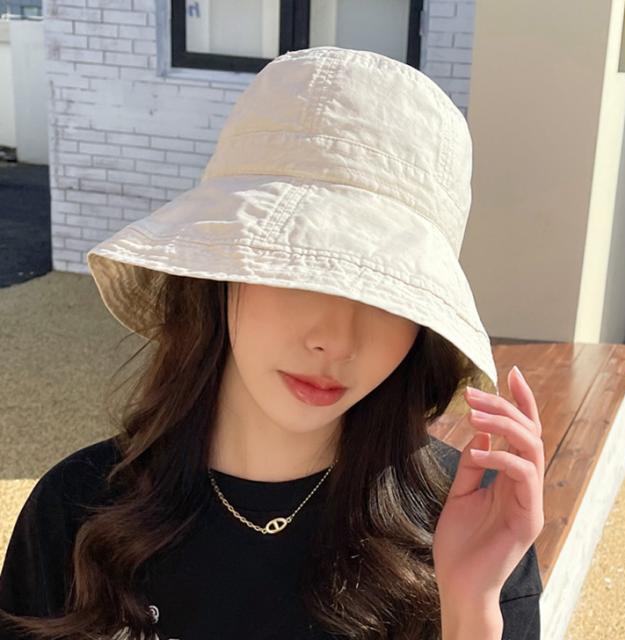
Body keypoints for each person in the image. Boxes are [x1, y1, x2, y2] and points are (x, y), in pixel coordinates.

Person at [0, 46, 545, 640]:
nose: (335, 341)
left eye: (388, 298)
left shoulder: (472, 525)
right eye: (299, 274)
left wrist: (469, 607)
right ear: (222, 272)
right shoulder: (77, 515)